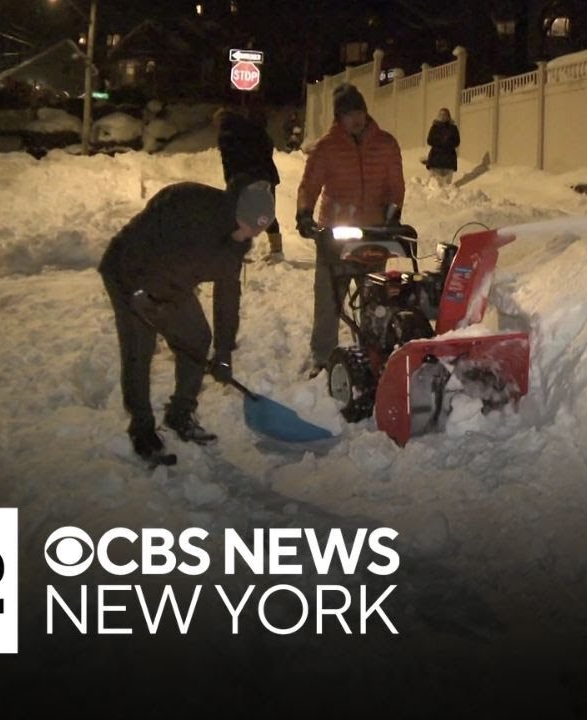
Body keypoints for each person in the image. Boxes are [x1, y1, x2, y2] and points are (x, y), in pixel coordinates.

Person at [98, 177, 275, 465]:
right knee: (139, 348)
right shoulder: (189, 205)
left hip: (175, 283)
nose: (248, 236)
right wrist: (142, 293)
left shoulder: (238, 242)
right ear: (237, 212)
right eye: (246, 228)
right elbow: (143, 242)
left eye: (256, 231)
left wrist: (224, 352)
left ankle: (180, 413)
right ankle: (142, 430)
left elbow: (227, 295)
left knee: (197, 338)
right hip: (128, 273)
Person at [295, 83, 405, 377]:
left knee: (374, 299)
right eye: (348, 114)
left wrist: (393, 215)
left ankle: (373, 353)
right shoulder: (326, 148)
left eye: (359, 112)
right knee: (329, 298)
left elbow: (396, 185)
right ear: (339, 118)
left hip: (374, 233)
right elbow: (310, 185)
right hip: (335, 235)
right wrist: (304, 214)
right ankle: (323, 357)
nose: (355, 119)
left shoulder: (386, 144)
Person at [216, 107, 284, 263]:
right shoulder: (251, 132)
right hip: (267, 176)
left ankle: (242, 248)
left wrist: (231, 182)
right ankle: (277, 250)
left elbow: (229, 162)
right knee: (268, 210)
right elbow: (267, 149)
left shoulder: (227, 136)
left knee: (241, 212)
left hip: (242, 180)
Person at [424, 107, 460, 185]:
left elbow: (457, 142)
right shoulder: (434, 127)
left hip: (448, 160)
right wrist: (440, 142)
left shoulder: (453, 128)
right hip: (436, 160)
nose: (443, 116)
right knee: (434, 185)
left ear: (448, 116)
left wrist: (447, 143)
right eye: (441, 114)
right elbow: (429, 140)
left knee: (447, 185)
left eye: (445, 115)